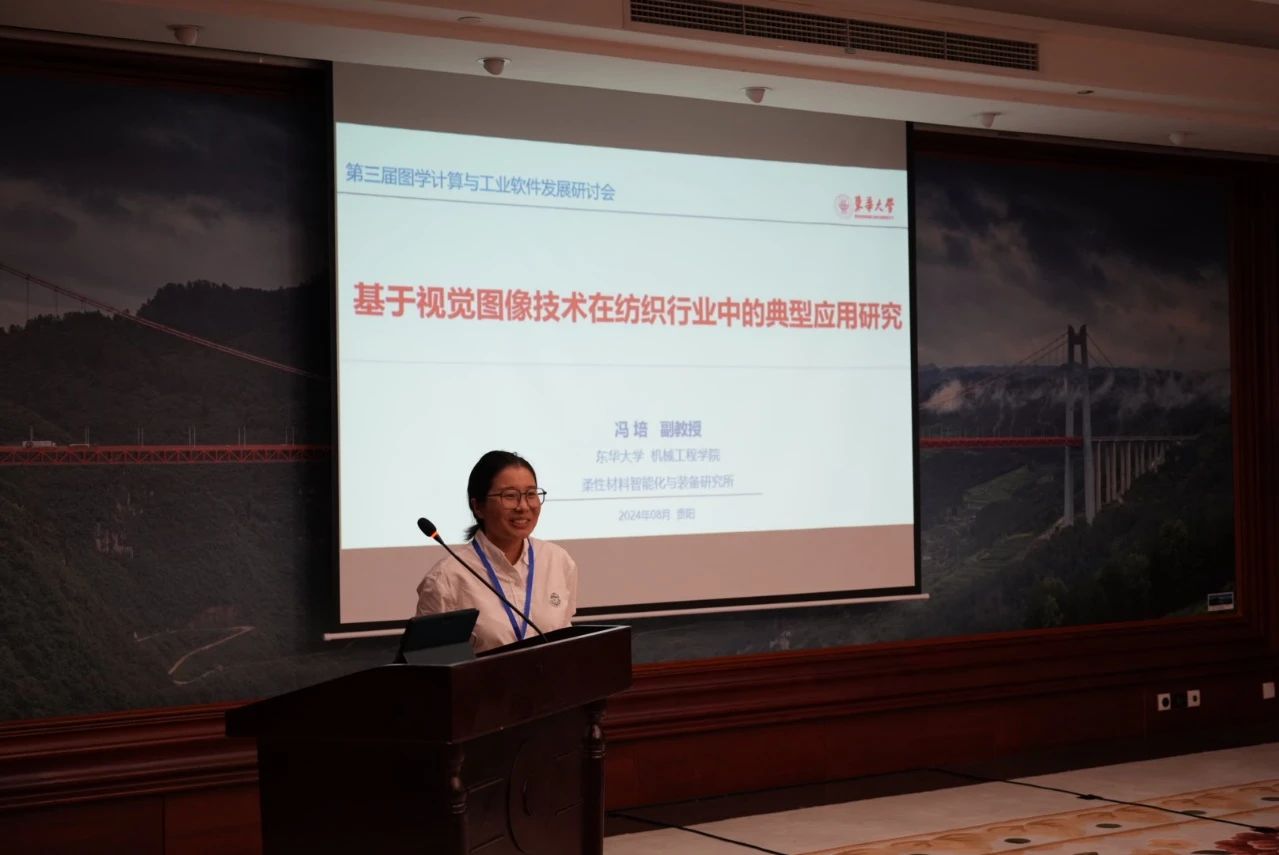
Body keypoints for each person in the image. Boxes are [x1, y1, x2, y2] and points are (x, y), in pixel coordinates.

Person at [416, 450, 578, 652]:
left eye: (530, 494)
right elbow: (431, 661)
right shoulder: (446, 579)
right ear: (478, 507)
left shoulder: (558, 560)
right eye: (509, 496)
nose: (523, 506)